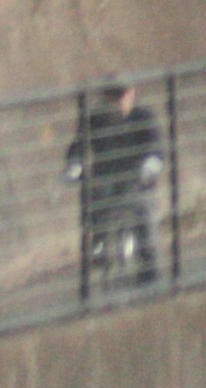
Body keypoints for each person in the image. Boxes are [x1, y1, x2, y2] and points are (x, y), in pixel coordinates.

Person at [66, 80, 166, 288]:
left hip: (137, 180)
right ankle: (98, 247)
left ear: (131, 93)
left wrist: (150, 166)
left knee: (145, 219)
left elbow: (156, 148)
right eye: (111, 96)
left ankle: (150, 274)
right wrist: (74, 165)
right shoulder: (95, 119)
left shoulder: (143, 117)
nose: (117, 101)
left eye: (121, 95)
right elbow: (78, 145)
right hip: (105, 179)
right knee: (95, 209)